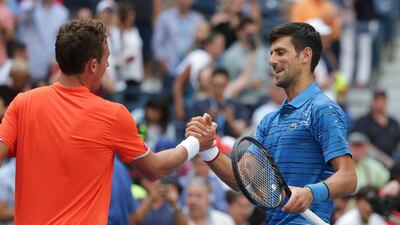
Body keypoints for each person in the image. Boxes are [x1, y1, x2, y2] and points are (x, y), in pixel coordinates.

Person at [0, 19, 216, 225]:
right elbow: (155, 168)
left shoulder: (22, 103)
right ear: (93, 66)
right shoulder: (112, 115)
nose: (108, 65)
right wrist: (196, 142)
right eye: (106, 58)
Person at [186, 22, 356, 224]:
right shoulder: (270, 121)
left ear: (305, 56)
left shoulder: (322, 108)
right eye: (271, 53)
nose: (271, 60)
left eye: (280, 52)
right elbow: (241, 178)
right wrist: (208, 148)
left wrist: (310, 193)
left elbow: (348, 178)